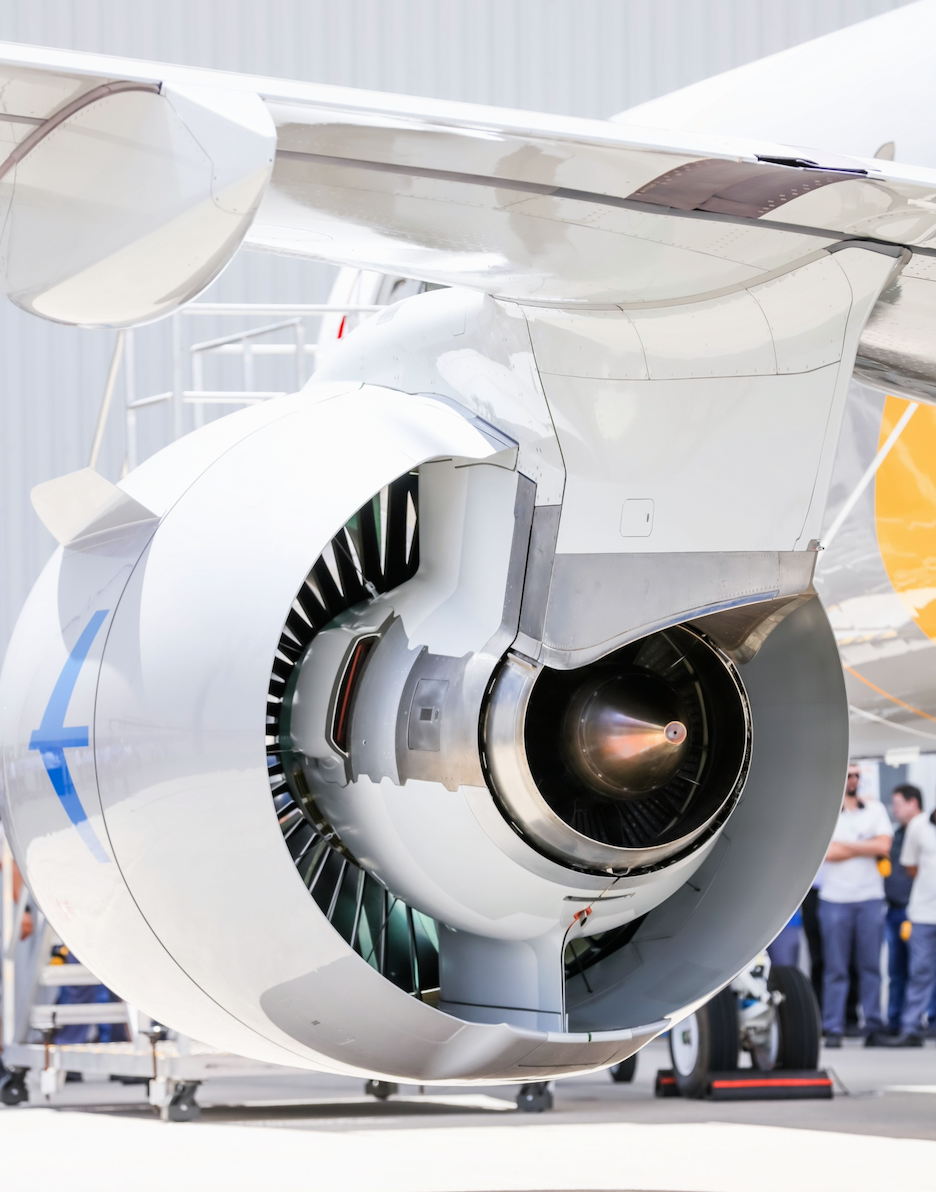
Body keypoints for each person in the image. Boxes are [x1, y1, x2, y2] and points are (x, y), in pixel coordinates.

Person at [818, 763, 893, 1047]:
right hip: (835, 899)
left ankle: (873, 1025)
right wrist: (866, 845)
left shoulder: (876, 810)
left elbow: (883, 846)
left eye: (857, 775)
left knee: (871, 966)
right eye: (849, 774)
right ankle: (834, 1028)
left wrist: (846, 846)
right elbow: (829, 852)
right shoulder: (827, 811)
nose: (853, 780)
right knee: (835, 968)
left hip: (870, 898)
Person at [882, 798, 936, 1045]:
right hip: (924, 913)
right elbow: (910, 866)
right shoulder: (919, 825)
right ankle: (911, 1028)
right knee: (919, 971)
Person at [884, 784, 923, 1033]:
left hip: (921, 913)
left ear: (913, 803)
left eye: (897, 803)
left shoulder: (928, 831)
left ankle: (926, 1020)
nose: (894, 809)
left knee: (922, 970)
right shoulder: (897, 835)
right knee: (897, 971)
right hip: (895, 911)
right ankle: (896, 1021)